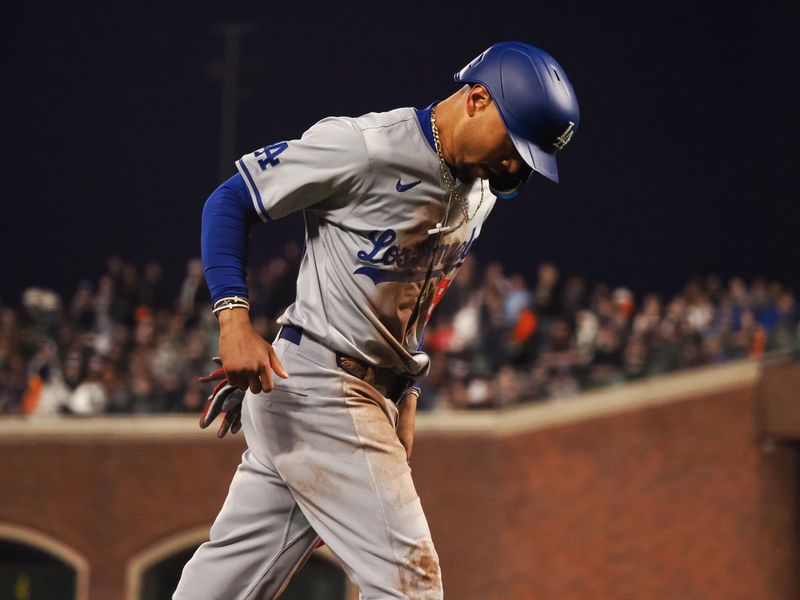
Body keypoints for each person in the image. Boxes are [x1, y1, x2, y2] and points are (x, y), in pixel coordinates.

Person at [174, 41, 580, 599]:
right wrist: (233, 322)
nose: (514, 166)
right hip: (323, 386)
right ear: (478, 99)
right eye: (515, 145)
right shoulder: (365, 148)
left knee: (222, 587)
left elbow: (414, 293)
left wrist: (406, 392)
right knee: (411, 585)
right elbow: (230, 200)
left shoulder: (480, 194)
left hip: (334, 389)